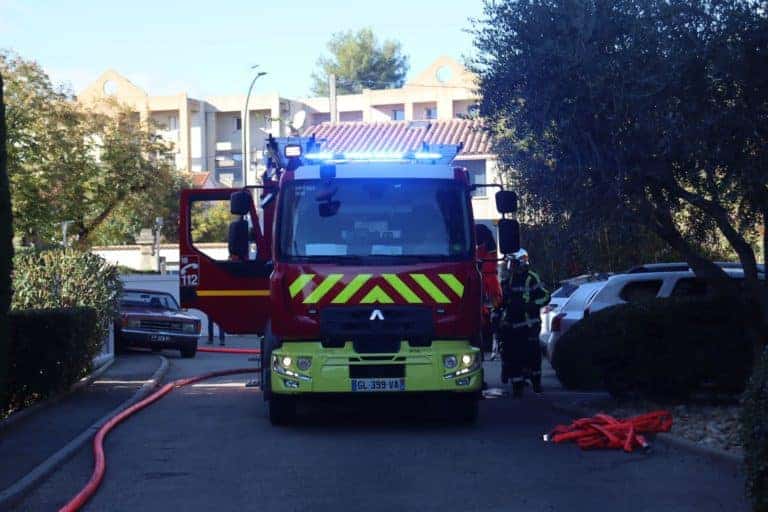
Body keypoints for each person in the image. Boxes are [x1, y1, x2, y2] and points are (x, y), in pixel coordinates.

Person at [498, 248, 551, 397]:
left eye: (513, 263)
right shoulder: (507, 280)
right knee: (513, 355)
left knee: (533, 355)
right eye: (510, 264)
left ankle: (536, 383)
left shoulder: (532, 278)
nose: (511, 266)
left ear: (521, 262)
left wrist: (532, 305)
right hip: (512, 325)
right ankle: (517, 386)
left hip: (529, 325)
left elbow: (546, 296)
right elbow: (501, 300)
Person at [474, 225, 502, 356]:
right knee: (489, 314)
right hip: (488, 282)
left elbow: (483, 264)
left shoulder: (485, 248)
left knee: (488, 314)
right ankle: (488, 344)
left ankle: (488, 344)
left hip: (487, 283)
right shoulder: (488, 246)